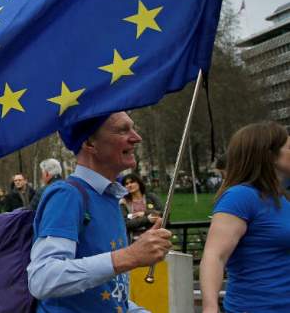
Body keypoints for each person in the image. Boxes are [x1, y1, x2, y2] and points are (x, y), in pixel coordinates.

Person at [28, 112, 173, 313]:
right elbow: (42, 279)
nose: (136, 137)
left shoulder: (110, 198)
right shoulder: (67, 195)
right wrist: (130, 255)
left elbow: (109, 297)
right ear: (89, 143)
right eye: (123, 130)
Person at [200, 122, 290, 313]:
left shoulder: (282, 198)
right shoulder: (240, 196)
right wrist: (210, 308)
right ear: (270, 155)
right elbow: (215, 256)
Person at [119, 173, 163, 241]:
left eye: (132, 182)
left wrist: (144, 213)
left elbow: (163, 213)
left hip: (154, 238)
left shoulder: (151, 197)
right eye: (126, 184)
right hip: (133, 241)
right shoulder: (123, 202)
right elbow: (125, 223)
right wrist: (147, 219)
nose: (129, 185)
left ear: (139, 183)